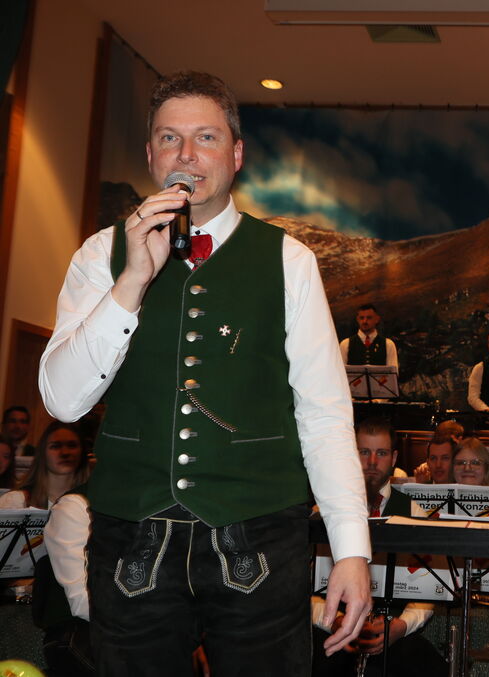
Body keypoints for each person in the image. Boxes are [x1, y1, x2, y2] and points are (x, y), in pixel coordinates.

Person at [37, 71, 370, 676]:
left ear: (236, 155)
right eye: (170, 138)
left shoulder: (290, 260)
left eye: (206, 137)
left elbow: (324, 413)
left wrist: (351, 549)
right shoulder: (100, 254)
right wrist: (131, 282)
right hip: (131, 535)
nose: (186, 154)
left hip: (260, 535)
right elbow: (62, 401)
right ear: (150, 155)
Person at [312, 418, 446, 677]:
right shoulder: (322, 512)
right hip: (333, 629)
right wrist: (333, 621)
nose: (372, 462)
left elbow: (429, 586)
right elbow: (302, 586)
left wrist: (402, 626)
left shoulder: (415, 513)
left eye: (381, 453)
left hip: (393, 632)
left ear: (393, 458)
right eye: (364, 451)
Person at [0, 422, 89, 510]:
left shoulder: (92, 500)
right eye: (55, 446)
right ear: (42, 453)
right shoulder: (17, 501)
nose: (65, 452)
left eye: (72, 446)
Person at [340, 303, 399, 368]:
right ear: (357, 319)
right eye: (361, 318)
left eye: (369, 318)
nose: (364, 321)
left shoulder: (388, 344)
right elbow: (339, 371)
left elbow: (393, 372)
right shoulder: (345, 344)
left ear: (377, 319)